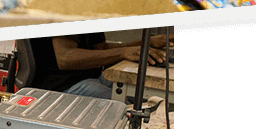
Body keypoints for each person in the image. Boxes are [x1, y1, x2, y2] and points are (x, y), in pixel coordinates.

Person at [29, 33, 170, 99]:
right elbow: (65, 58)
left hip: (92, 76)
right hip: (62, 85)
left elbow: (102, 48)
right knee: (126, 105)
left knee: (143, 93)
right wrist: (123, 52)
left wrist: (146, 43)